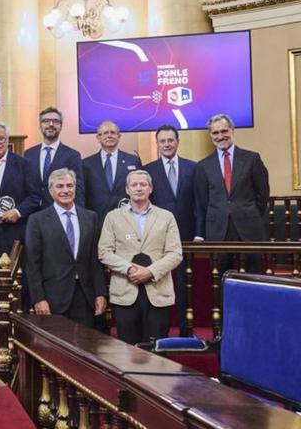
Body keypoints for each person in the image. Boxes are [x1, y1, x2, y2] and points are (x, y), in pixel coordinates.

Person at [99, 170, 182, 345]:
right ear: (127, 189)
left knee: (157, 349)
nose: (138, 188)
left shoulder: (166, 217)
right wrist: (130, 269)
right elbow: (104, 252)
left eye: (143, 184)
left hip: (158, 291)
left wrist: (150, 272)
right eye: (134, 185)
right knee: (127, 350)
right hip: (125, 290)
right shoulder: (113, 217)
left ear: (150, 188)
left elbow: (175, 253)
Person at [0, 122, 40, 344]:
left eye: (1, 138)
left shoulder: (23, 165)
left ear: (8, 140)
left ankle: (15, 328)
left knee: (13, 283)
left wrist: (18, 211)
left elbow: (35, 197)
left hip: (11, 233)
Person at [25, 169, 107, 328]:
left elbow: (95, 261)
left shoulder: (91, 218)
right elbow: (32, 265)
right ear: (50, 191)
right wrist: (38, 298)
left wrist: (100, 293)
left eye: (70, 186)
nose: (65, 190)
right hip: (52, 296)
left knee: (84, 346)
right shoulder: (37, 220)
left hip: (85, 296)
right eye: (60, 186)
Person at [194, 113, 270, 273]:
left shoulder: (252, 159)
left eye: (224, 131)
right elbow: (202, 201)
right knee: (221, 277)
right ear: (210, 135)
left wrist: (248, 212)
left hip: (249, 228)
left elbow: (262, 195)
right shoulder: (203, 166)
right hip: (218, 230)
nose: (220, 136)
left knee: (253, 276)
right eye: (215, 133)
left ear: (232, 131)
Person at [143, 125, 198, 334]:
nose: (167, 144)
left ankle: (186, 330)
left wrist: (199, 233)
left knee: (186, 287)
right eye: (162, 141)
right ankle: (159, 332)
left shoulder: (193, 168)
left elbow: (199, 204)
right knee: (159, 285)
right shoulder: (148, 170)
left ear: (177, 141)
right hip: (157, 238)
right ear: (157, 144)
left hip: (186, 236)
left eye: (170, 140)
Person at [24, 107, 85, 208]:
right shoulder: (29, 154)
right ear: (40, 125)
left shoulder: (72, 155)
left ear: (61, 126)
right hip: (32, 214)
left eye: (56, 121)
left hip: (59, 213)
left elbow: (78, 190)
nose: (51, 124)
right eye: (46, 121)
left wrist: (79, 216)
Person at [83, 120, 141, 222]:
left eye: (113, 133)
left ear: (119, 136)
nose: (109, 136)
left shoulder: (133, 161)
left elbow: (139, 190)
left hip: (127, 219)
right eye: (105, 133)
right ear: (98, 138)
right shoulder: (86, 164)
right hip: (96, 219)